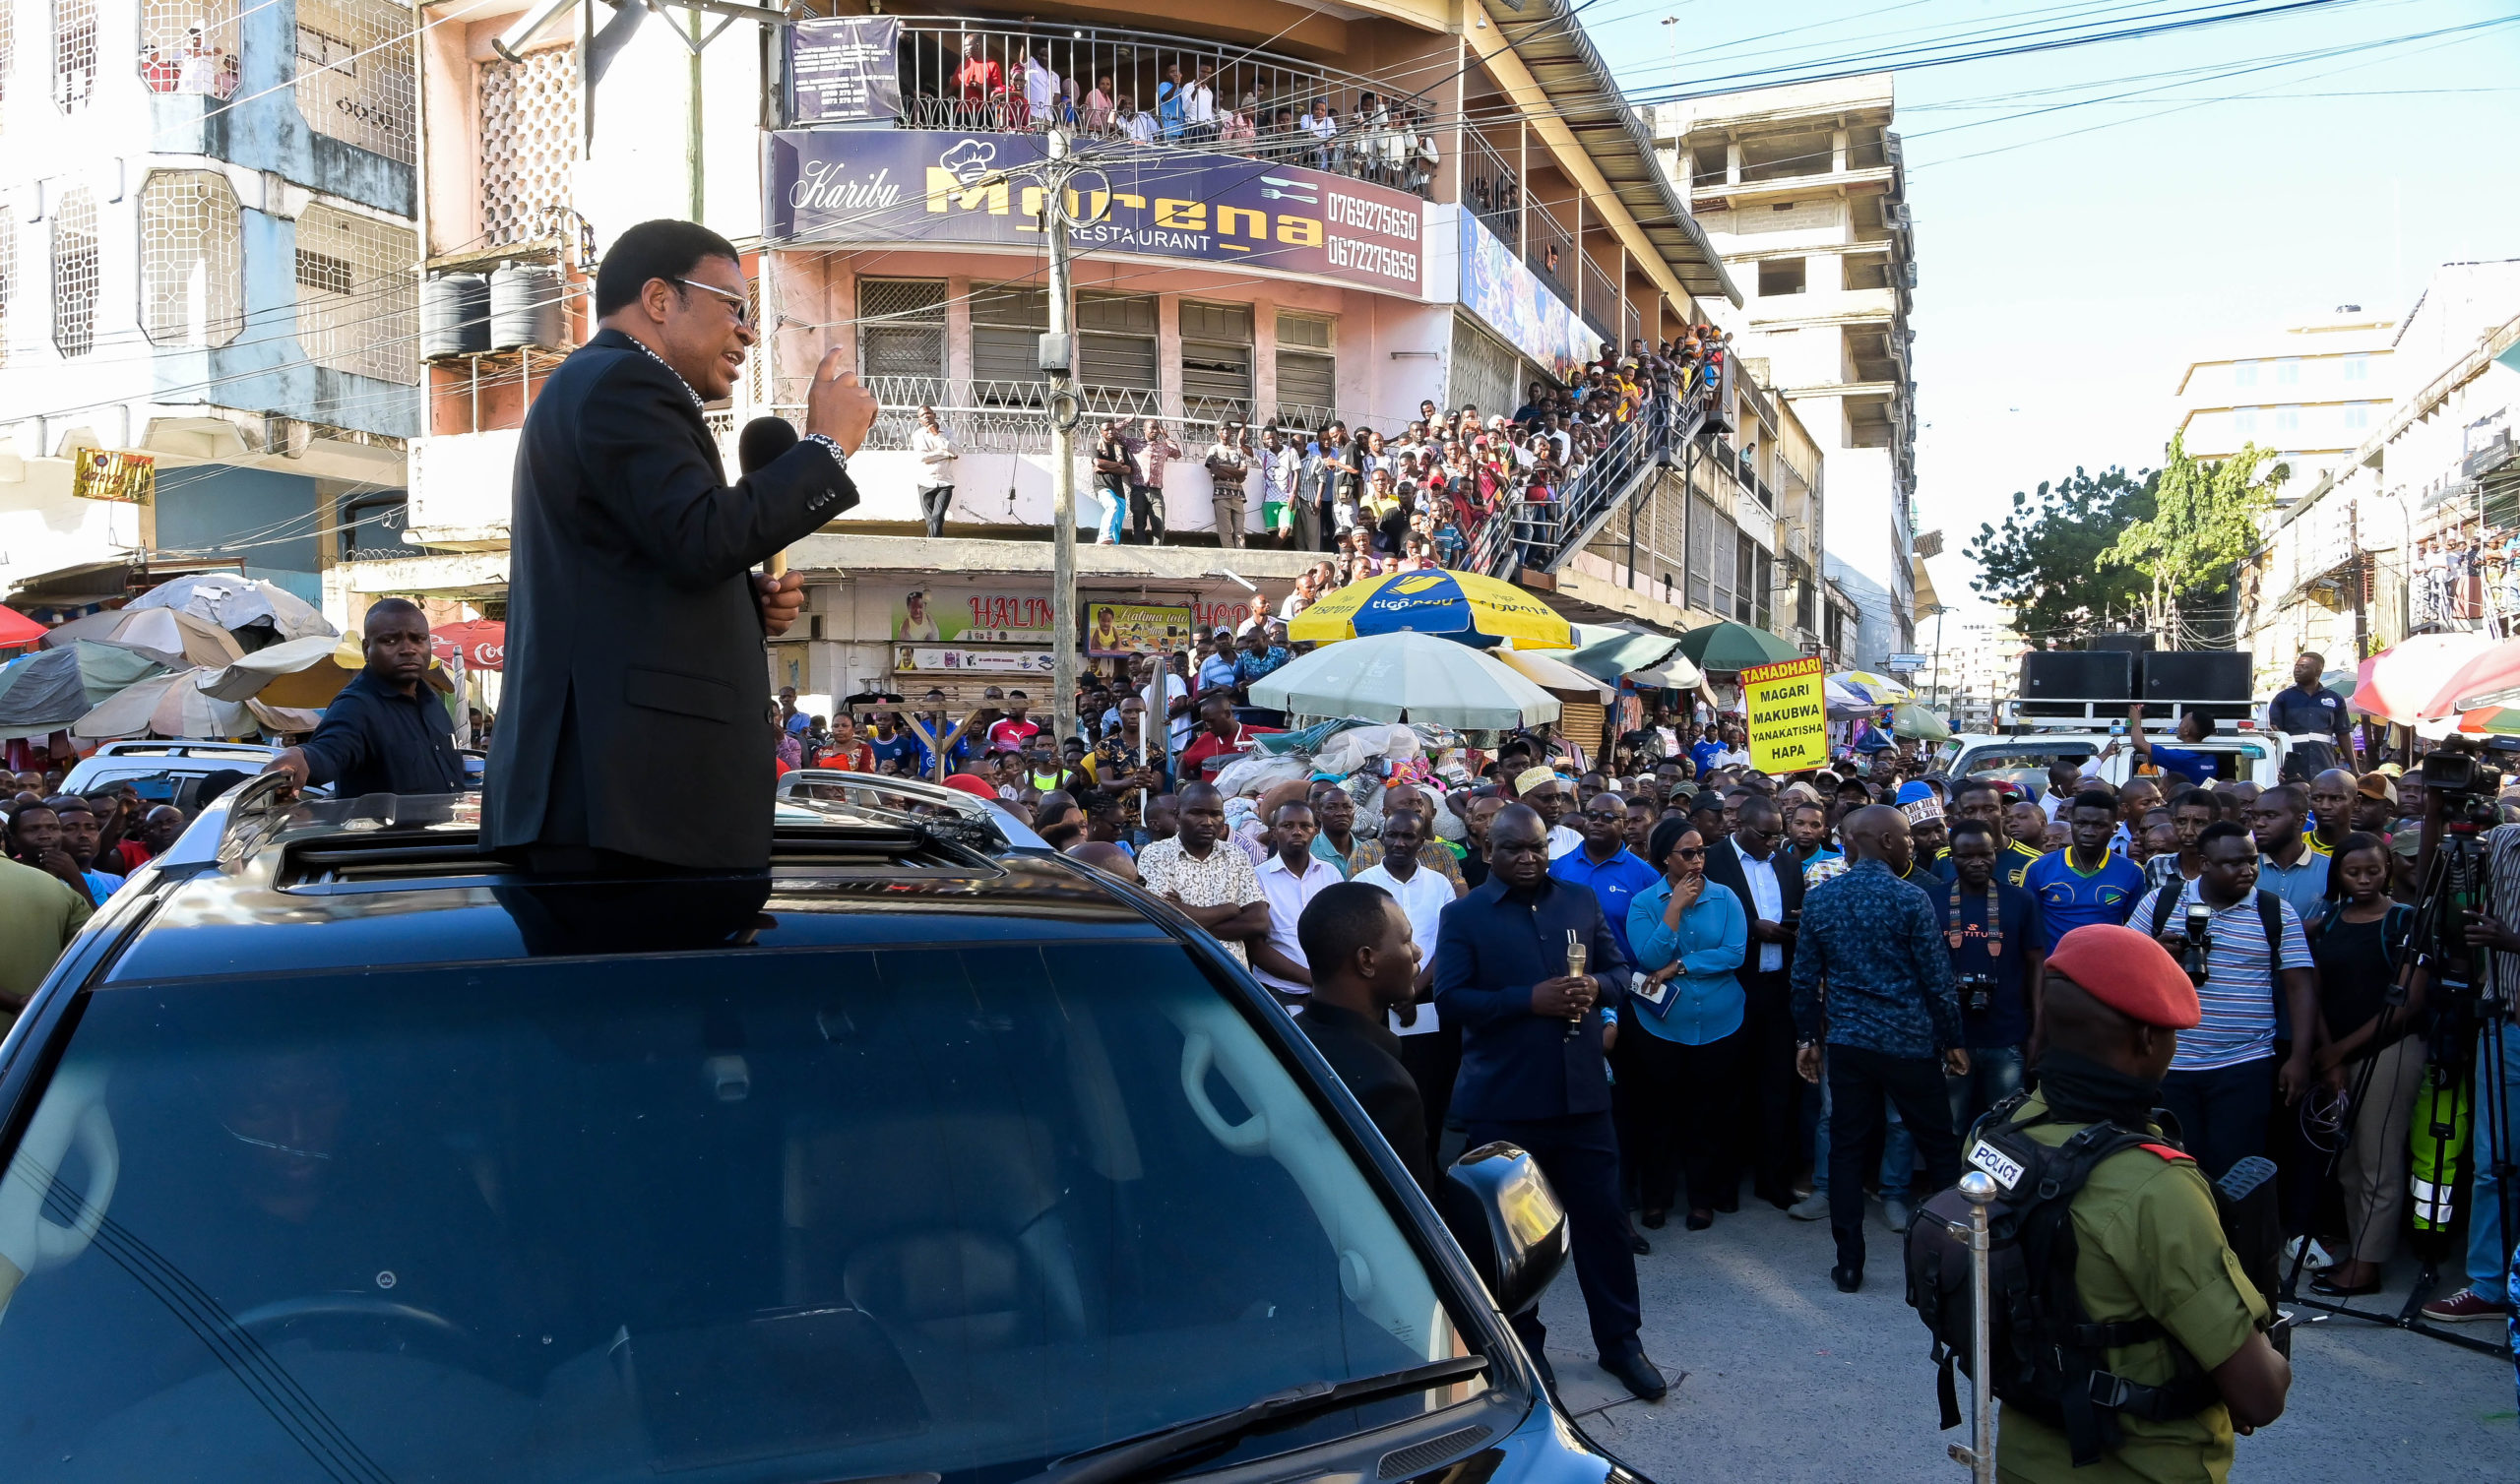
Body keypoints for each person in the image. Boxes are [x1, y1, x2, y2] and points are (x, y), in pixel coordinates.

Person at [485, 218, 874, 872]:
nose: (747, 330)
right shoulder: (624, 385)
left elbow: (648, 563)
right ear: (661, 300)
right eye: (733, 306)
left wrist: (741, 605)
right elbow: (700, 538)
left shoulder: (599, 384)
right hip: (621, 812)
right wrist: (826, 449)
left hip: (618, 806)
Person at [1988, 924, 2292, 1480]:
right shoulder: (2153, 1186)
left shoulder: (2000, 1131)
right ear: (2150, 1039)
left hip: (2023, 1456)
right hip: (2141, 1467)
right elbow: (2260, 1397)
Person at [1434, 804, 1663, 1400]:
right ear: (1490, 851)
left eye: (1537, 847)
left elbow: (1620, 971)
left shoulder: (1579, 903)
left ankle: (1622, 1345)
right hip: (1507, 1099)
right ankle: (1525, 1351)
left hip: (1583, 1096)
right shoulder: (1463, 915)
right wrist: (1524, 1000)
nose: (1529, 858)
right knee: (1513, 1240)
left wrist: (1597, 988)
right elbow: (1451, 998)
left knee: (1604, 1228)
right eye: (1515, 849)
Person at [1790, 804, 1964, 1293]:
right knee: (1939, 1148)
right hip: (1909, 1044)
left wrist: (1807, 1037)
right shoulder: (1911, 899)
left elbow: (1803, 980)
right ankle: (1948, 1257)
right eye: (1906, 836)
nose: (1912, 842)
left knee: (1846, 1151)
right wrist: (1953, 1040)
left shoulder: (1823, 900)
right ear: (1886, 841)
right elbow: (1937, 980)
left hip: (1848, 1045)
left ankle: (1849, 1264)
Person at [2132, 822, 2317, 1180]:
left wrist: (2300, 1057)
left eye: (2252, 861)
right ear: (2204, 863)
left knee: (2238, 1171)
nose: (2247, 871)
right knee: (2176, 1170)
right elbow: (2122, 969)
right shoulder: (2161, 902)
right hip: (2170, 1064)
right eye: (2234, 863)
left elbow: (2300, 987)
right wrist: (2155, 953)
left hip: (2245, 1064)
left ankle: (2237, 1237)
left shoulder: (2275, 911)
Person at [2303, 832, 2426, 1297]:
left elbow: (2407, 1004)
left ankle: (2368, 1264)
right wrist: (2329, 1054)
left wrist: (2338, 1052)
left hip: (2389, 1050)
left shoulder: (2404, 921)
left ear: (2387, 870)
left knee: (2378, 1160)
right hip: (2337, 1051)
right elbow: (2311, 990)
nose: (2363, 880)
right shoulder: (2329, 921)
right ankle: (2358, 1247)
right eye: (2353, 872)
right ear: (2338, 873)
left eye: (2372, 871)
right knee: (2349, 1161)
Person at [1623, 820, 1748, 1230]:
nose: (1698, 861)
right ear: (1665, 858)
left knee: (1707, 1115)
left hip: (1720, 1022)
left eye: (1701, 851)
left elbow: (1732, 954)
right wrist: (1673, 908)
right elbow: (1648, 958)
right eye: (1687, 853)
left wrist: (1680, 965)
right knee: (1658, 1115)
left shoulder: (1725, 897)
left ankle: (1702, 1199)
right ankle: (1655, 1200)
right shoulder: (1645, 902)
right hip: (1662, 1026)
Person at [2421, 816, 2520, 1325]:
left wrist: (2515, 943)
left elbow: (2502, 935)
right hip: (2503, 1022)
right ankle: (2489, 1284)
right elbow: (2454, 909)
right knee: (2492, 1164)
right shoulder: (2502, 841)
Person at [1700, 792, 1807, 1209]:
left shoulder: (1788, 863)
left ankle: (1772, 1179)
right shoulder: (1711, 861)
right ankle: (1722, 1185)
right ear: (1739, 826)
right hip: (1729, 988)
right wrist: (1751, 928)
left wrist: (1791, 928)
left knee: (1777, 1088)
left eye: (1778, 836)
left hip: (1778, 991)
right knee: (1725, 1089)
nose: (1773, 843)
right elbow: (1702, 918)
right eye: (1765, 835)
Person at [1297, 881, 1434, 1195]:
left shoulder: (1287, 1038)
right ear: (1367, 961)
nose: (1417, 952)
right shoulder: (1385, 1087)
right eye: (1406, 940)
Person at [264, 598, 466, 799]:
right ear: (366, 650)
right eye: (390, 641)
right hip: (389, 831)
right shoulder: (355, 706)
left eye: (418, 639)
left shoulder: (431, 701)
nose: (408, 649)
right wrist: (299, 756)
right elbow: (328, 751)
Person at [1355, 808, 1457, 1160]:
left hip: (1428, 1000)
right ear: (1382, 837)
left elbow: (1446, 944)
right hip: (1378, 1003)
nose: (1399, 843)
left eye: (1408, 836)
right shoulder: (1363, 883)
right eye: (1393, 835)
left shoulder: (1439, 883)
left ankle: (1429, 1166)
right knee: (1384, 1087)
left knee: (1430, 1089)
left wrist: (1413, 990)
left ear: (1422, 841)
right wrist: (1394, 992)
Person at [1938, 820, 2046, 1133]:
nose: (1977, 862)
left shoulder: (2019, 900)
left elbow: (2037, 963)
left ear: (1995, 853)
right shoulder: (1932, 900)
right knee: (1951, 1125)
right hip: (1952, 1037)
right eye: (1966, 856)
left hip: (2006, 1034)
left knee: (2006, 1126)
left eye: (1985, 854)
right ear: (1951, 857)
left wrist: (2038, 1028)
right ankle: (1952, 1182)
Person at [1135, 782, 1269, 968]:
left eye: (1215, 814)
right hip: (1182, 971)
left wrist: (1185, 916)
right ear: (1177, 816)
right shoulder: (1155, 854)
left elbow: (1258, 922)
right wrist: (1229, 909)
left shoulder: (1236, 855)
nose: (1207, 821)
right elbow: (1163, 918)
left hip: (1233, 978)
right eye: (1197, 813)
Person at [2023, 790, 2147, 949]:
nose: (2088, 832)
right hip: (2054, 969)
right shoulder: (2038, 867)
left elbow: (2135, 931)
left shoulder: (2132, 872)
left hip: (2107, 967)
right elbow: (2027, 928)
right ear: (2071, 823)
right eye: (2081, 824)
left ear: (2114, 827)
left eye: (2099, 825)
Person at [1251, 799, 1343, 1003]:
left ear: (1316, 831)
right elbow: (1255, 947)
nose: (1297, 832)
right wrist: (1312, 980)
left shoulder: (1331, 874)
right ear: (1273, 833)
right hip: (1276, 992)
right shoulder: (1257, 877)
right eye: (1287, 826)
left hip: (1330, 992)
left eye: (1305, 826)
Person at [0, 844, 91, 1020]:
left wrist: (19, 1001)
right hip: (42, 1033)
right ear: (3, 842)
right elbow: (93, 952)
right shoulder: (57, 888)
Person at [2249, 783, 2330, 933]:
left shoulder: (2329, 868)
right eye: (2255, 817)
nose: (2259, 823)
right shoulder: (2245, 868)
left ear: (2300, 821)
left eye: (2270, 816)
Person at [2267, 650, 2355, 763]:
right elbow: (2275, 734)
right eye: (2296, 666)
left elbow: (2343, 734)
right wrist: (2279, 767)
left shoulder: (2335, 699)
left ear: (2318, 671)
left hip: (2324, 767)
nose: (2297, 670)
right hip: (2293, 768)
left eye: (2303, 667)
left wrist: (2354, 769)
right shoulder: (2282, 698)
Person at [2121, 703, 2223, 789]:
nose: (2178, 725)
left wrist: (2135, 719)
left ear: (2186, 731)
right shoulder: (2211, 758)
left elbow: (2138, 743)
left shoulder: (2181, 757)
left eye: (2182, 721)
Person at [2144, 787, 2218, 893]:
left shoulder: (2225, 869)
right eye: (2181, 822)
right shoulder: (2158, 864)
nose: (2188, 831)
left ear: (2215, 825)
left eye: (2199, 823)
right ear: (2173, 823)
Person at [910, 404, 959, 538]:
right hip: (925, 482)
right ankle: (937, 546)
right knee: (931, 521)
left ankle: (931, 548)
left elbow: (955, 451)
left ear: (934, 415)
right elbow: (923, 457)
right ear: (919, 420)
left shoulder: (948, 433)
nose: (926, 416)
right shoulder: (918, 435)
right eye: (922, 415)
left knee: (937, 517)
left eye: (928, 413)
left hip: (945, 483)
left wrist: (937, 435)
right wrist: (945, 454)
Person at [1515, 768, 1584, 858]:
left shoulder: (1573, 839)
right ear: (1524, 800)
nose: (1556, 805)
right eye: (1546, 798)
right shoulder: (1509, 837)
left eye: (1558, 797)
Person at [1204, 422, 1251, 549]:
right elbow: (1214, 471)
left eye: (1228, 429)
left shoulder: (1238, 451)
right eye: (1222, 429)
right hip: (1221, 496)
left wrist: (1223, 467)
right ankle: (1230, 559)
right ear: (1218, 432)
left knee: (1240, 532)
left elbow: (1244, 472)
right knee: (1225, 531)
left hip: (1238, 496)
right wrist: (1236, 473)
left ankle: (1241, 559)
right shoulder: (1214, 449)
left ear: (1231, 431)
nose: (1225, 431)